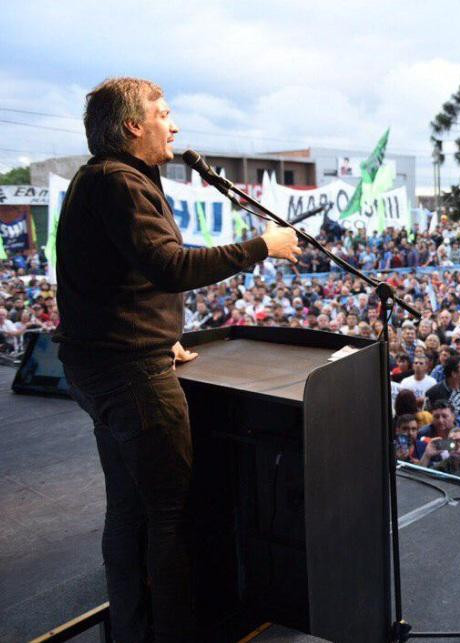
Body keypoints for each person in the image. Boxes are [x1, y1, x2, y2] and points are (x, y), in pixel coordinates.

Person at [53, 77, 301, 642]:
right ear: (133, 126)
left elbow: (114, 279)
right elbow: (169, 266)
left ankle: (134, 631)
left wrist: (153, 332)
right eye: (163, 114)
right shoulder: (120, 182)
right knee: (169, 517)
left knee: (128, 509)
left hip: (106, 361)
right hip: (131, 375)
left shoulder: (104, 181)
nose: (176, 125)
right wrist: (261, 247)